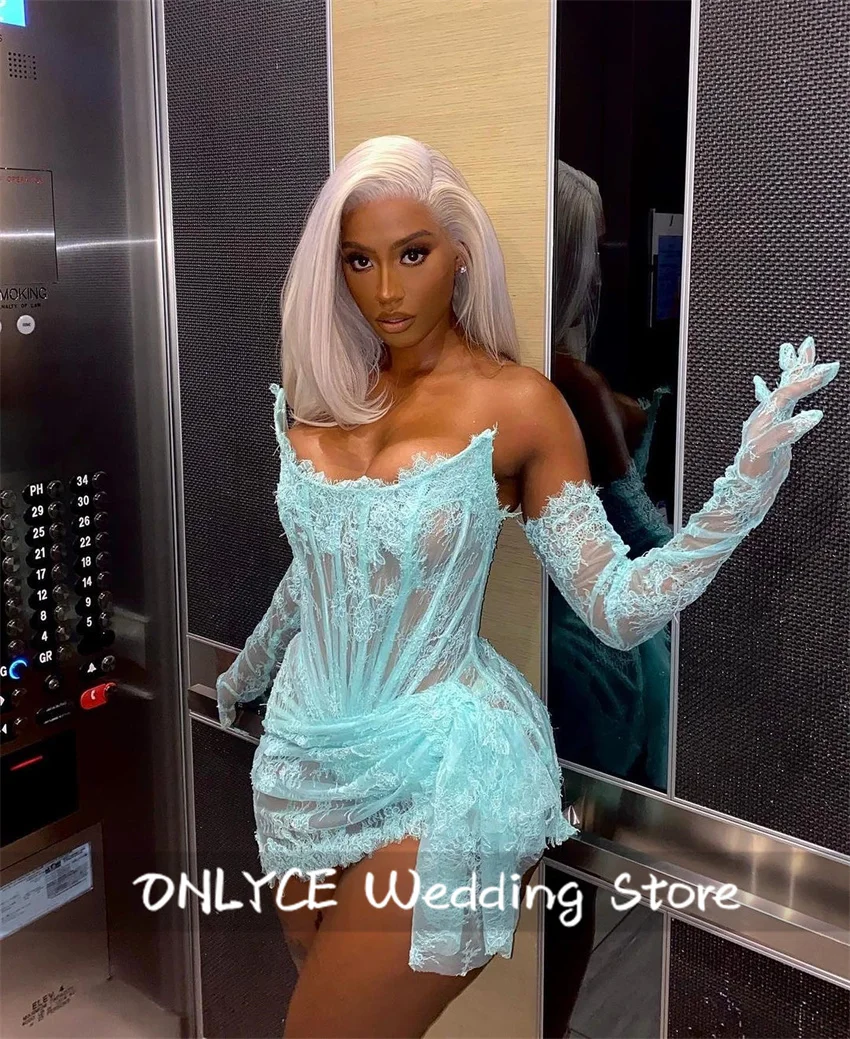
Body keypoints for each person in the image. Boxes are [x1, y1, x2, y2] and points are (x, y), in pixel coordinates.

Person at [215, 135, 839, 1038]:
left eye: (412, 254)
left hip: (448, 766)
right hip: (303, 764)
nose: (386, 290)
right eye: (359, 260)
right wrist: (244, 674)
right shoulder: (326, 394)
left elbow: (617, 607)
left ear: (460, 253)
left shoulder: (518, 405)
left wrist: (740, 492)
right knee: (332, 1005)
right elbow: (318, 572)